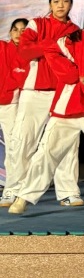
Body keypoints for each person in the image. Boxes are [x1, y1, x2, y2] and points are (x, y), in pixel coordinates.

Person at [8, 0, 84, 217]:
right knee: (46, 153)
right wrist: (71, 74)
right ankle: (23, 196)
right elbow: (52, 51)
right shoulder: (78, 36)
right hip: (66, 107)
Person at [2, 0, 83, 208]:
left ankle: (68, 192)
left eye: (65, 1)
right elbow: (24, 51)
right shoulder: (37, 24)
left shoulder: (75, 31)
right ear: (50, 4)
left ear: (70, 4)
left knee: (67, 142)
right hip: (34, 92)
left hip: (63, 92)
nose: (60, 5)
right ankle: (13, 190)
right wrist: (51, 45)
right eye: (56, 1)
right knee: (22, 142)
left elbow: (77, 59)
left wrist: (47, 47)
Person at [0, 19, 30, 198]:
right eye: (15, 29)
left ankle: (13, 186)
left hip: (11, 105)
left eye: (23, 30)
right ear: (10, 32)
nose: (19, 33)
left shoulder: (31, 55)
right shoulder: (2, 48)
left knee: (13, 146)